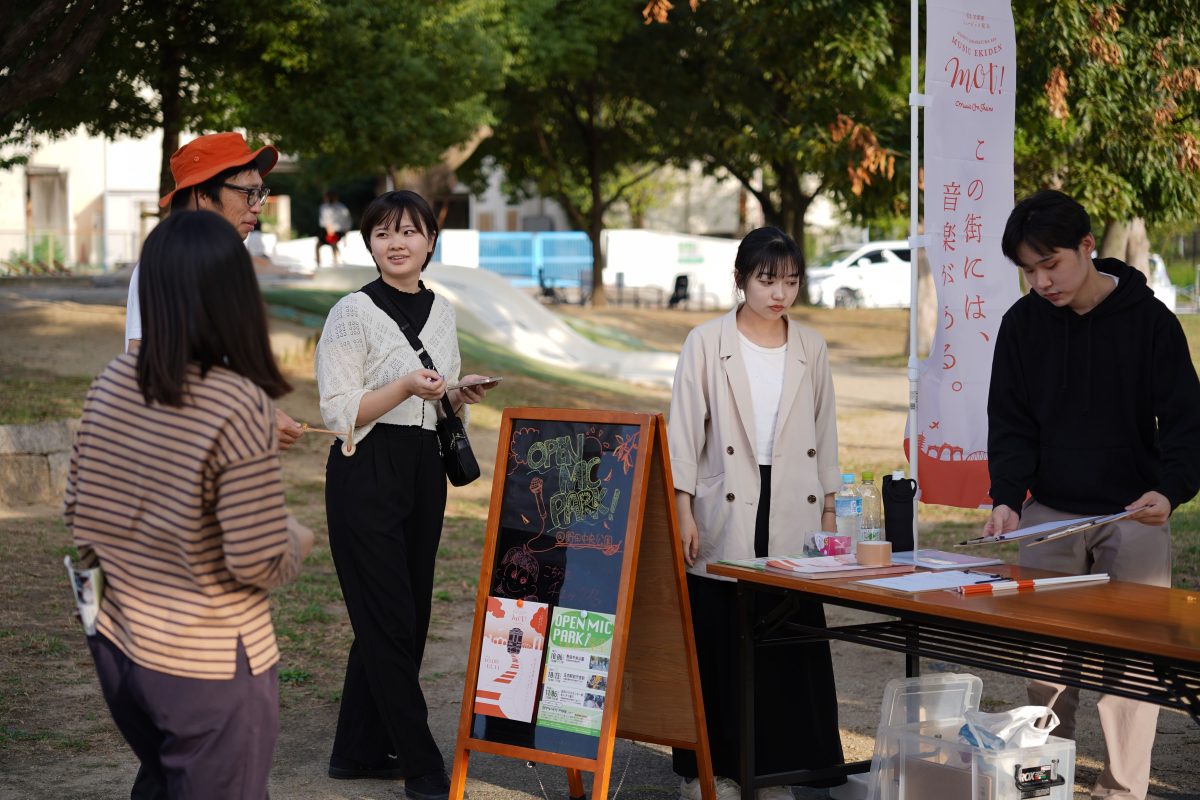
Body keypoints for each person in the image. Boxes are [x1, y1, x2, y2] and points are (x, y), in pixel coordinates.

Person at [65, 210, 315, 798]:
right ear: (235, 295)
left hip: (118, 643)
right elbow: (255, 560)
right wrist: (294, 538)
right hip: (209, 662)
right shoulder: (237, 402)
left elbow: (79, 513)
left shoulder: (111, 379)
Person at [984, 189, 1200, 800]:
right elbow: (1011, 422)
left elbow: (1185, 419)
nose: (1041, 280)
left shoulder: (1150, 322)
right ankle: (1042, 777)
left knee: (1131, 668)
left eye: (1050, 264)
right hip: (1047, 513)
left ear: (1086, 247)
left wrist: (1171, 489)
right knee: (1045, 664)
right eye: (1028, 270)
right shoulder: (1021, 325)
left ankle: (1123, 788)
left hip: (1132, 512)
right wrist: (1006, 496)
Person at [315, 190, 496, 800]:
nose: (397, 242)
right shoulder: (351, 312)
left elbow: (432, 391)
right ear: (368, 242)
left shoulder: (441, 312)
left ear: (429, 241)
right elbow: (341, 413)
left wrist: (454, 392)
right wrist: (404, 387)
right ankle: (421, 764)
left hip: (422, 470)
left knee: (407, 614)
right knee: (388, 615)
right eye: (384, 232)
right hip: (365, 468)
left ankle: (357, 749)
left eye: (410, 231)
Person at [668, 227, 845, 800]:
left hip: (795, 498)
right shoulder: (706, 340)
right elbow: (684, 432)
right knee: (720, 637)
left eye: (790, 281)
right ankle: (712, 771)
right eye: (767, 280)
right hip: (725, 497)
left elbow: (826, 433)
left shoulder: (810, 346)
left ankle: (781, 768)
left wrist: (830, 514)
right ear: (740, 279)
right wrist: (682, 509)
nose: (778, 293)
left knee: (787, 632)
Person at [124, 131, 304, 450]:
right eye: (247, 193)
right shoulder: (165, 267)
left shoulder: (230, 264)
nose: (257, 207)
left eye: (260, 193)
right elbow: (148, 370)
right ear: (202, 195)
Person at [316, 190, 353, 266]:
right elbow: (348, 221)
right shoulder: (342, 207)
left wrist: (330, 230)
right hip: (338, 231)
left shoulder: (325, 207)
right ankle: (334, 262)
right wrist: (346, 234)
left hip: (331, 231)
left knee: (322, 246)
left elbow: (325, 221)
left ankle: (320, 264)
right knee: (333, 245)